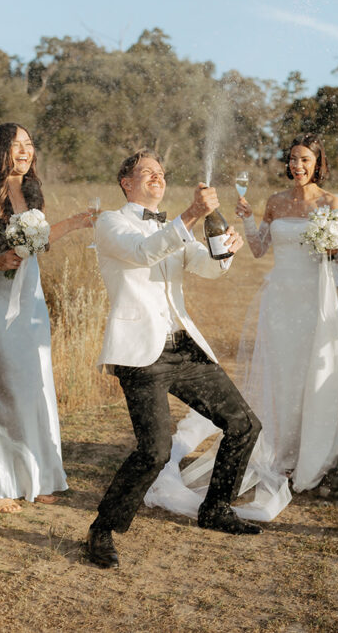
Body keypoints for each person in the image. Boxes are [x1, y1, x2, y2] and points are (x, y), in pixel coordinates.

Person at [143, 134, 338, 520]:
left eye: (305, 159)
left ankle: (308, 453)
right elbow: (257, 248)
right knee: (280, 376)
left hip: (313, 301)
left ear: (318, 163)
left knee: (311, 373)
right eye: (293, 159)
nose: (297, 166)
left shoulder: (331, 203)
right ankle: (279, 452)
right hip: (279, 300)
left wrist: (334, 247)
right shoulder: (276, 201)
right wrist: (249, 218)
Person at [86, 150, 259, 569]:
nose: (157, 178)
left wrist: (225, 251)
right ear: (126, 182)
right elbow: (143, 252)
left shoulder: (171, 227)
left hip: (182, 348)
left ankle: (216, 508)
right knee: (155, 452)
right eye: (147, 172)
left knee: (244, 424)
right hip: (140, 354)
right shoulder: (111, 222)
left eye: (162, 173)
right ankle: (102, 529)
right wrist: (191, 214)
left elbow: (207, 268)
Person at [0, 123, 95, 513]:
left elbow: (40, 240)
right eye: (16, 144)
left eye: (29, 144)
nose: (24, 150)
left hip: (29, 302)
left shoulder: (32, 192)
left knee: (34, 385)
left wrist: (81, 220)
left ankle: (36, 477)